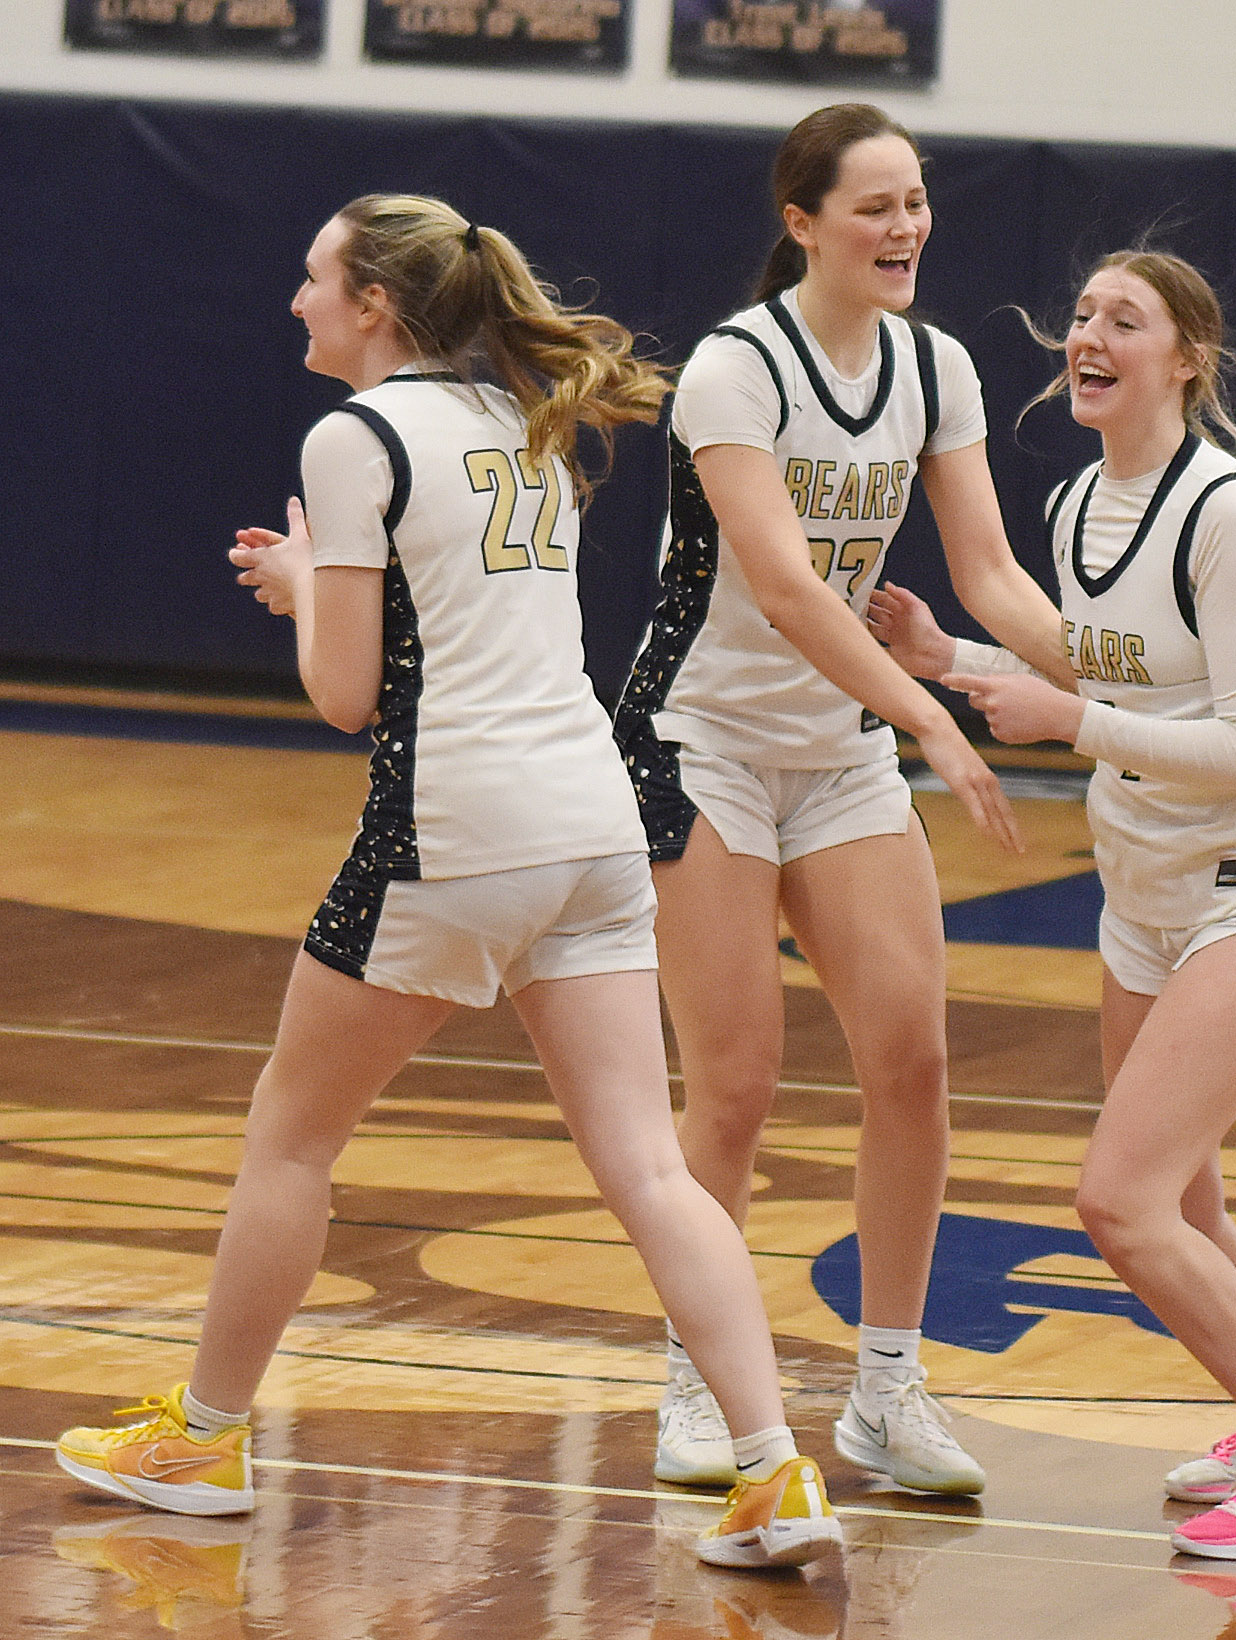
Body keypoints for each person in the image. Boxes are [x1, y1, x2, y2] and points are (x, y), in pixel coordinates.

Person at [53, 195, 840, 1572]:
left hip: (455, 828)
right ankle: (775, 1472)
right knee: (651, 1166)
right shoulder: (512, 418)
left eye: (312, 279)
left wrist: (305, 590)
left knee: (290, 1137)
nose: (295, 301)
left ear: (371, 303)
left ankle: (205, 1434)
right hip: (595, 826)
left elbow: (350, 695)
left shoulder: (354, 439)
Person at [868, 250, 1236, 1559]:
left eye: (1127, 318)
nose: (1090, 334)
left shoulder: (1224, 513)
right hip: (1141, 892)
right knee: (1190, 1199)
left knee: (1118, 1204)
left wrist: (1074, 722)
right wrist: (960, 659)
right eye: (1081, 316)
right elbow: (1105, 666)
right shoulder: (1075, 506)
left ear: (1186, 360)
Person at [614, 103, 1071, 1496]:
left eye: (918, 201)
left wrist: (1124, 677)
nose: (908, 227)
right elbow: (788, 587)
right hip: (704, 741)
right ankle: (702, 1383)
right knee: (737, 1084)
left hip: (841, 747)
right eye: (875, 206)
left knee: (913, 1061)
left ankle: (886, 1389)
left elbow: (987, 576)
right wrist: (929, 708)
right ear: (803, 223)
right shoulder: (737, 372)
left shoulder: (936, 366)